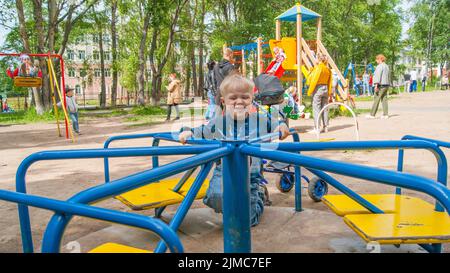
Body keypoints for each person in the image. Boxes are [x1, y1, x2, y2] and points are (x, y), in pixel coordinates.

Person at [178, 73, 290, 227]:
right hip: (223, 172)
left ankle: (258, 200)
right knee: (215, 197)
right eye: (233, 98)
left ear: (251, 99)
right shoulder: (219, 122)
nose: (239, 101)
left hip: (250, 176)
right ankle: (233, 208)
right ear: (224, 101)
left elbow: (277, 124)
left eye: (245, 97)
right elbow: (202, 130)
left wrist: (281, 127)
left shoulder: (260, 120)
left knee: (246, 221)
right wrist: (188, 132)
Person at [307, 53, 332, 134]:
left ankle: (317, 127)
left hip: (318, 88)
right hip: (325, 88)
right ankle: (326, 127)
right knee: (325, 107)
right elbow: (330, 81)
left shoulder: (318, 68)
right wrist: (329, 91)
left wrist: (310, 71)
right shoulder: (327, 69)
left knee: (316, 107)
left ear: (318, 59)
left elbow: (312, 79)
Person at [366, 54, 390, 119]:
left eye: (377, 59)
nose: (376, 61)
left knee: (376, 99)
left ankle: (372, 114)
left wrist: (376, 85)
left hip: (380, 85)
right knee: (384, 99)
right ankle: (385, 114)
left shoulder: (380, 66)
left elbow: (378, 76)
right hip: (386, 85)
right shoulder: (386, 66)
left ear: (380, 59)